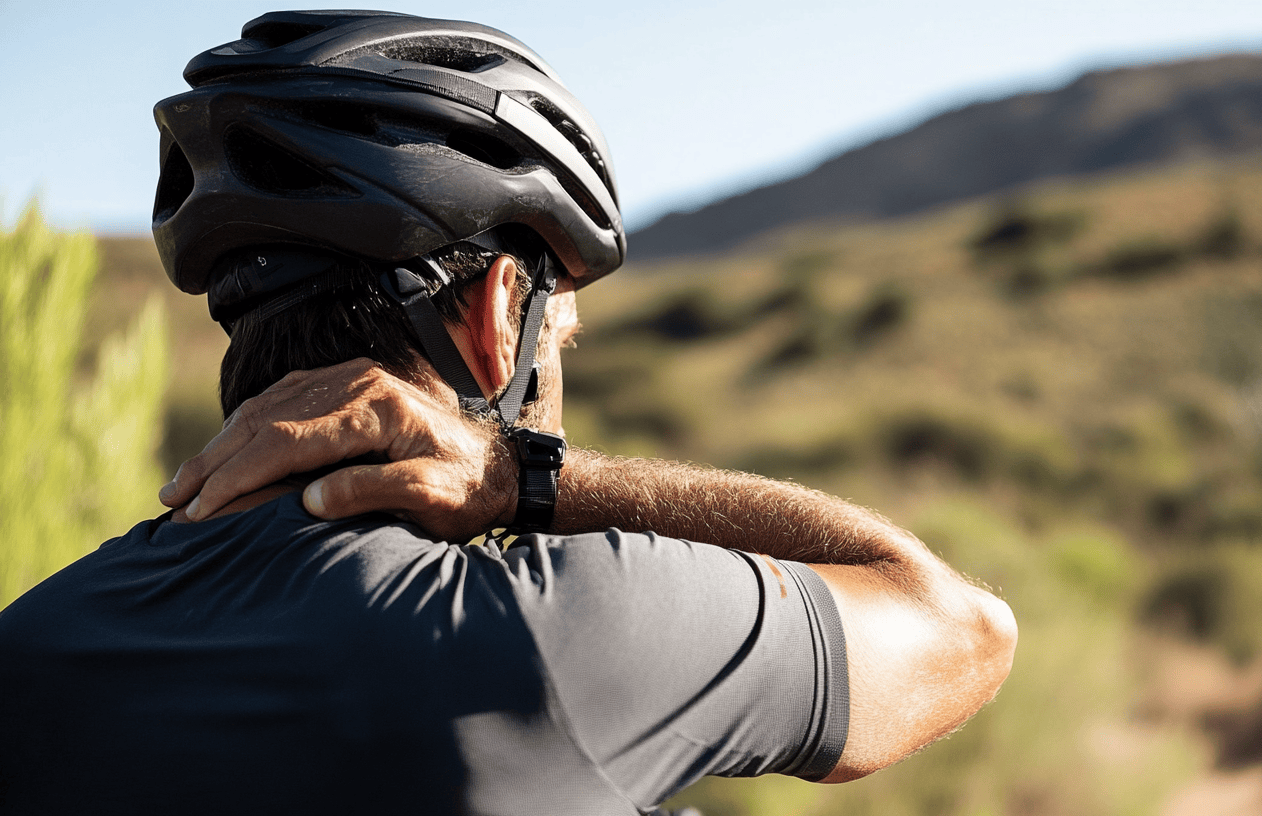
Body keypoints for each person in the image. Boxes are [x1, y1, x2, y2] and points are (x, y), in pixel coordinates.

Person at [0, 10, 1016, 816]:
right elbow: (959, 633)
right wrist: (521, 476)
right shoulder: (551, 628)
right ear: (496, 316)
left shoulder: (33, 646)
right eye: (558, 337)